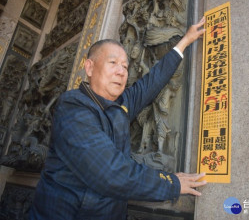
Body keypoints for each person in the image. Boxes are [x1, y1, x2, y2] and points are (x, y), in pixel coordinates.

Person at [29, 17, 206, 220]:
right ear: (89, 68)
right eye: (113, 63)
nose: (121, 71)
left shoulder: (119, 105)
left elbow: (151, 83)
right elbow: (111, 172)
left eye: (125, 66)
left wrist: (184, 42)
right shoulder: (72, 109)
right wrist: (171, 183)